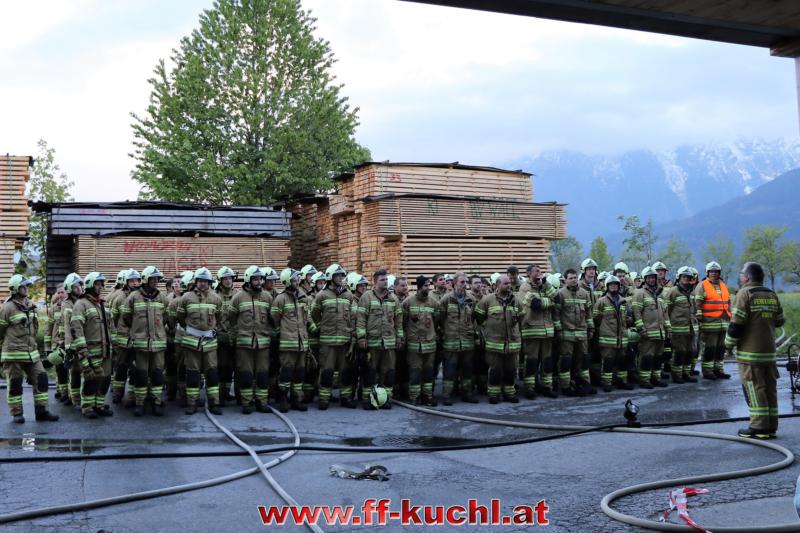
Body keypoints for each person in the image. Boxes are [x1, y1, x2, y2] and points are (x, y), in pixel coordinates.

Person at [725, 262, 784, 439]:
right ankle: (771, 425)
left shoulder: (745, 294)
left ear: (746, 277)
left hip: (750, 354)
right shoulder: (771, 294)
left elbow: (736, 325)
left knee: (754, 388)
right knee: (770, 389)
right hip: (769, 352)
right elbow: (780, 321)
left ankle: (759, 427)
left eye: (741, 274)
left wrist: (727, 345)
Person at [0, 275, 59, 423]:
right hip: (13, 354)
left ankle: (42, 411)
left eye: (27, 286)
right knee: (15, 384)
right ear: (15, 289)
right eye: (23, 286)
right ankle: (17, 413)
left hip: (31, 353)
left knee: (42, 378)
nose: (26, 289)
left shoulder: (31, 305)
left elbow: (35, 328)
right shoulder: (7, 308)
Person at [122, 266, 169, 416]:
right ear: (145, 280)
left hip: (158, 345)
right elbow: (126, 317)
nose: (155, 281)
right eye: (152, 278)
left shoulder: (162, 298)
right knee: (141, 375)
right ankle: (140, 403)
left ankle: (156, 402)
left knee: (157, 374)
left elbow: (166, 317)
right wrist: (138, 330)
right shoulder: (133, 297)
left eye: (157, 279)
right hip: (140, 345)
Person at [310, 264, 357, 409]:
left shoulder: (348, 295)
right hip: (327, 341)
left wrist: (351, 331)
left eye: (342, 276)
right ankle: (324, 399)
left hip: (344, 341)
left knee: (345, 372)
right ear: (330, 277)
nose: (340, 278)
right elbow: (314, 313)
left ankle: (345, 398)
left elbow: (354, 315)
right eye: (337, 276)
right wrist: (320, 327)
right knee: (327, 371)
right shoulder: (322, 295)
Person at [177, 267, 223, 415]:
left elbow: (219, 317)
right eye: (200, 281)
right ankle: (192, 403)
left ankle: (214, 403)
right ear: (196, 282)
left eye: (205, 281)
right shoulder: (186, 298)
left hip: (210, 343)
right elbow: (180, 317)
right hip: (192, 343)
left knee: (212, 374)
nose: (203, 283)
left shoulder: (216, 298)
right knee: (192, 374)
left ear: (209, 282)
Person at [356, 269, 403, 410]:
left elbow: (398, 321)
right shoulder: (366, 297)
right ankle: (367, 399)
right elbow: (361, 319)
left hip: (389, 343)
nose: (385, 282)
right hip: (372, 342)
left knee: (388, 372)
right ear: (375, 282)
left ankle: (386, 399)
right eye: (382, 280)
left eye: (386, 279)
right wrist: (361, 337)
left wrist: (399, 338)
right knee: (369, 372)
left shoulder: (393, 298)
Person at [228, 266, 273, 414]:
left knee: (262, 374)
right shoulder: (238, 297)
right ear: (248, 280)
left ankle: (262, 402)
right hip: (244, 343)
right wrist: (238, 333)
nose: (259, 282)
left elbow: (273, 318)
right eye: (255, 279)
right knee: (246, 374)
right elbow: (231, 318)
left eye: (260, 279)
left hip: (263, 343)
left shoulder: (267, 297)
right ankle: (246, 403)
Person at [69, 272, 114, 419]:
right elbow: (76, 329)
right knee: (92, 378)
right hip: (91, 351)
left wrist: (114, 345)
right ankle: (87, 407)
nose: (100, 287)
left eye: (101, 284)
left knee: (106, 379)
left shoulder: (103, 304)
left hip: (106, 350)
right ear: (89, 285)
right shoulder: (81, 304)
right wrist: (82, 350)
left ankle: (99, 405)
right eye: (97, 284)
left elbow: (111, 327)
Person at [474, 274, 522, 404]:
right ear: (497, 285)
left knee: (511, 370)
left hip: (512, 344)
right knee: (495, 370)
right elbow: (478, 316)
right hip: (494, 344)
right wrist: (488, 327)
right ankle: (494, 394)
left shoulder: (516, 300)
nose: (509, 286)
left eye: (509, 283)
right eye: (506, 283)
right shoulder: (487, 300)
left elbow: (521, 317)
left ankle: (509, 393)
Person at [271, 268, 311, 413]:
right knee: (286, 373)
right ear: (287, 281)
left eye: (298, 279)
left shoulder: (303, 297)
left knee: (300, 373)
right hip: (288, 344)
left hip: (302, 343)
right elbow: (274, 320)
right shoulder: (280, 299)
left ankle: (296, 400)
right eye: (294, 279)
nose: (297, 281)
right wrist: (281, 334)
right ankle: (283, 399)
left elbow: (307, 317)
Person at [438, 272, 478, 404]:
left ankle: (467, 393)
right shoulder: (446, 299)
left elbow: (473, 318)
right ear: (454, 283)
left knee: (467, 371)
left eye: (466, 282)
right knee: (449, 370)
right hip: (451, 342)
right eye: (462, 282)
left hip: (467, 342)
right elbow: (440, 319)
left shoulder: (471, 299)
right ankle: (447, 395)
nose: (465, 285)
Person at [519, 264, 558, 398]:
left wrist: (546, 283)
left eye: (540, 271)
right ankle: (530, 388)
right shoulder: (524, 287)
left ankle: (547, 387)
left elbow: (557, 298)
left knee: (547, 361)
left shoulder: (544, 286)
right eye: (536, 271)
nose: (539, 273)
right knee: (531, 361)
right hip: (532, 331)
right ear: (528, 273)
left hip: (547, 331)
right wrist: (550, 302)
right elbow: (535, 304)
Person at [554, 269, 594, 396]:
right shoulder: (560, 294)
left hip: (582, 333)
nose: (573, 280)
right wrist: (559, 330)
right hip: (567, 334)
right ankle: (565, 386)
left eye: (575, 277)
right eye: (570, 278)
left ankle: (586, 384)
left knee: (583, 360)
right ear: (565, 280)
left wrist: (591, 328)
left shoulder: (584, 293)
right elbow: (556, 314)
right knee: (566, 361)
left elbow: (589, 313)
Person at [631, 267, 671, 389]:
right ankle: (644, 380)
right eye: (649, 278)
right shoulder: (639, 293)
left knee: (658, 357)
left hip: (660, 332)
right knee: (647, 357)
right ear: (645, 279)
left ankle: (656, 378)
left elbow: (665, 312)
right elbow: (636, 312)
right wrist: (641, 328)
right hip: (648, 332)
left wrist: (668, 328)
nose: (651, 280)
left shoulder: (660, 294)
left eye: (653, 277)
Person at [403, 275, 439, 406]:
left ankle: (427, 396)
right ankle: (414, 397)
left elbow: (436, 320)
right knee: (415, 372)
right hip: (414, 345)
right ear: (419, 287)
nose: (428, 288)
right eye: (425, 286)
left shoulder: (434, 303)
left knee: (429, 372)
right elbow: (403, 321)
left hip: (430, 344)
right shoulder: (408, 302)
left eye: (429, 285)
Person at [593, 275, 632, 391]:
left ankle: (622, 381)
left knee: (622, 361)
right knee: (608, 361)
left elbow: (628, 316)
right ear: (607, 286)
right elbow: (596, 318)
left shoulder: (623, 301)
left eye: (616, 284)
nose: (614, 287)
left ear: (619, 286)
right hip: (608, 338)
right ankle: (607, 383)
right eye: (611, 285)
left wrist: (628, 320)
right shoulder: (601, 301)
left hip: (622, 338)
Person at [694, 261, 732, 380]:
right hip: (709, 323)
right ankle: (708, 371)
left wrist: (730, 316)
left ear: (719, 273)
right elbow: (697, 303)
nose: (714, 274)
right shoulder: (702, 285)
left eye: (716, 272)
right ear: (707, 273)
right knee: (710, 348)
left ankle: (719, 369)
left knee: (720, 348)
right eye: (711, 272)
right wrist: (699, 320)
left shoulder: (723, 285)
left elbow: (728, 302)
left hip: (723, 323)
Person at [663, 266, 699, 383]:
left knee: (690, 352)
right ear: (679, 277)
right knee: (680, 352)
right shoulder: (673, 291)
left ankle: (686, 373)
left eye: (688, 277)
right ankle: (677, 375)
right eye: (684, 277)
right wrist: (668, 326)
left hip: (690, 328)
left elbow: (694, 309)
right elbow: (666, 310)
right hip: (678, 329)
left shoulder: (692, 292)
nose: (686, 279)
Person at [215, 266, 238, 406]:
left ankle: (228, 392)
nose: (228, 281)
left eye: (230, 278)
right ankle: (220, 394)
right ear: (220, 281)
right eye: (225, 279)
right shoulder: (214, 295)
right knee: (221, 366)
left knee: (233, 366)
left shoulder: (238, 295)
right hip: (220, 336)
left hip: (236, 336)